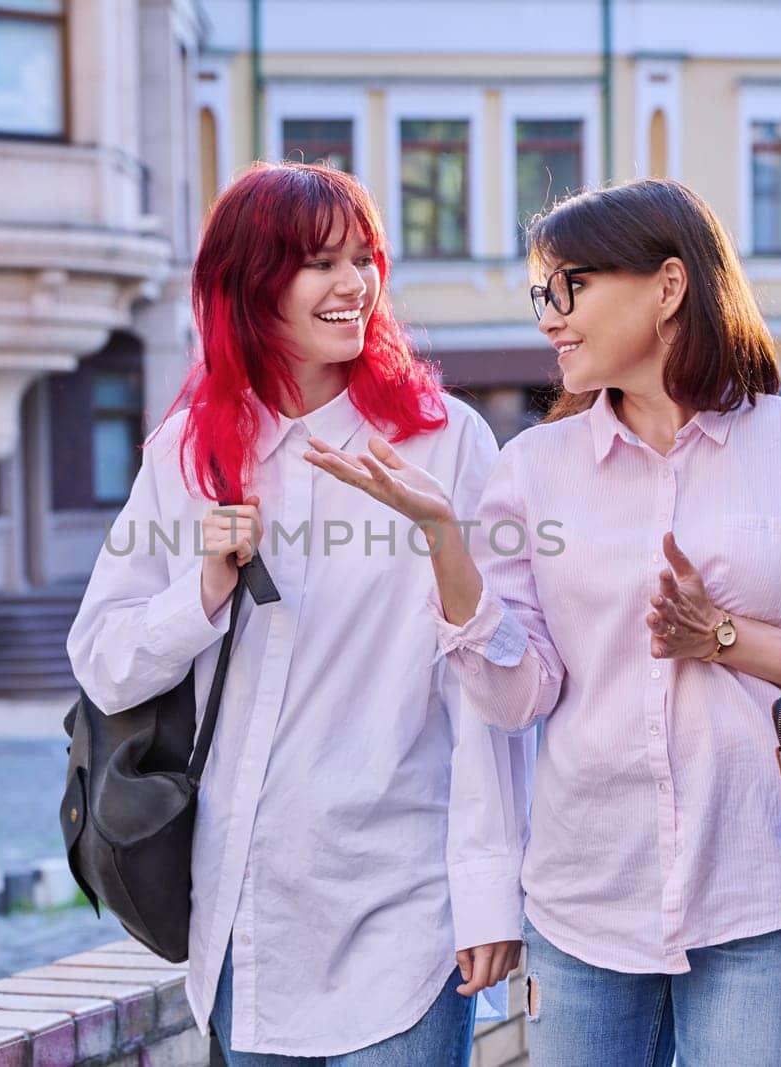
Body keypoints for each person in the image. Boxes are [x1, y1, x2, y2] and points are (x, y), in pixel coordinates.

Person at [304, 178, 781, 1066]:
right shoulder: (531, 471)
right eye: (541, 295)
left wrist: (727, 637)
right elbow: (516, 697)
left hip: (767, 893)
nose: (549, 319)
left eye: (570, 289)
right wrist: (445, 543)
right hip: (584, 906)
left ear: (668, 286)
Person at [67, 161, 530, 1065]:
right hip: (249, 918)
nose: (353, 284)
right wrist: (202, 590)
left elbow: (484, 688)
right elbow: (104, 658)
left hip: (406, 905)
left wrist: (487, 895)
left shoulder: (443, 441)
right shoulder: (188, 453)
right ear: (249, 284)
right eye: (319, 263)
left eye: (364, 258)